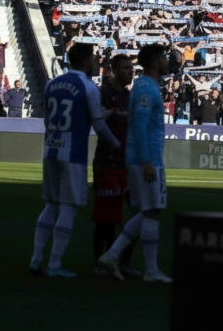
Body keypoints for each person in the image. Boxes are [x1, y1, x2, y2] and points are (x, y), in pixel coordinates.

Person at [30, 43, 122, 278]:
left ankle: (36, 259)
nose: (94, 61)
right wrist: (118, 145)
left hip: (50, 148)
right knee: (69, 207)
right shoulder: (88, 87)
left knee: (50, 204)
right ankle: (54, 264)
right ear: (85, 61)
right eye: (92, 58)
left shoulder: (52, 84)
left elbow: (46, 119)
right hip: (73, 153)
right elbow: (99, 124)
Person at [98, 44, 173, 283]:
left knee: (148, 211)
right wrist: (147, 161)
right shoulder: (145, 89)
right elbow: (139, 126)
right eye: (163, 57)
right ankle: (148, 269)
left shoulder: (144, 86)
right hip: (146, 159)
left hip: (141, 158)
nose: (166, 61)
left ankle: (112, 255)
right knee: (153, 211)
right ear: (154, 62)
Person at [92, 54, 138, 278]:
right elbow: (96, 117)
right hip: (106, 160)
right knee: (106, 218)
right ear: (114, 70)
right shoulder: (103, 93)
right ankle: (100, 263)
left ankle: (123, 261)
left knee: (138, 212)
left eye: (132, 68)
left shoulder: (129, 96)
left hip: (127, 162)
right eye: (126, 68)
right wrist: (113, 113)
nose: (131, 71)